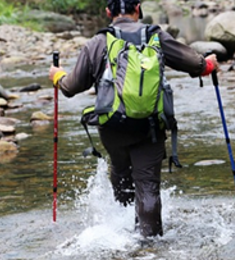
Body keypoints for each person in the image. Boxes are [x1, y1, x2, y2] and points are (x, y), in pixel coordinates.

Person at [49, 0, 218, 237]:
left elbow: (71, 87)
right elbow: (195, 65)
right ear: (137, 9)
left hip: (112, 127)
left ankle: (121, 230)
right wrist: (209, 64)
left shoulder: (98, 42)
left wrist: (57, 75)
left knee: (120, 169)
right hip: (149, 126)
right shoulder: (155, 36)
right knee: (147, 185)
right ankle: (149, 245)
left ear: (108, 12)